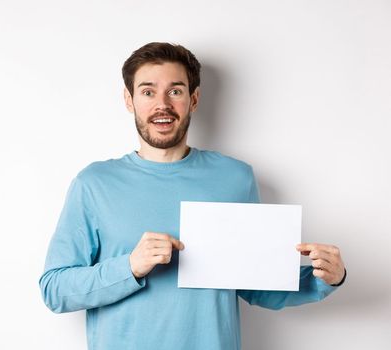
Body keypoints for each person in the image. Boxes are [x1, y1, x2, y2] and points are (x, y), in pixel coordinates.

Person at [38, 42, 346, 350]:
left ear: (193, 99)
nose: (162, 104)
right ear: (129, 100)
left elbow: (257, 286)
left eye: (175, 91)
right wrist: (130, 266)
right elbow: (55, 289)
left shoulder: (235, 178)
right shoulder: (94, 183)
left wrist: (324, 279)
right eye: (147, 92)